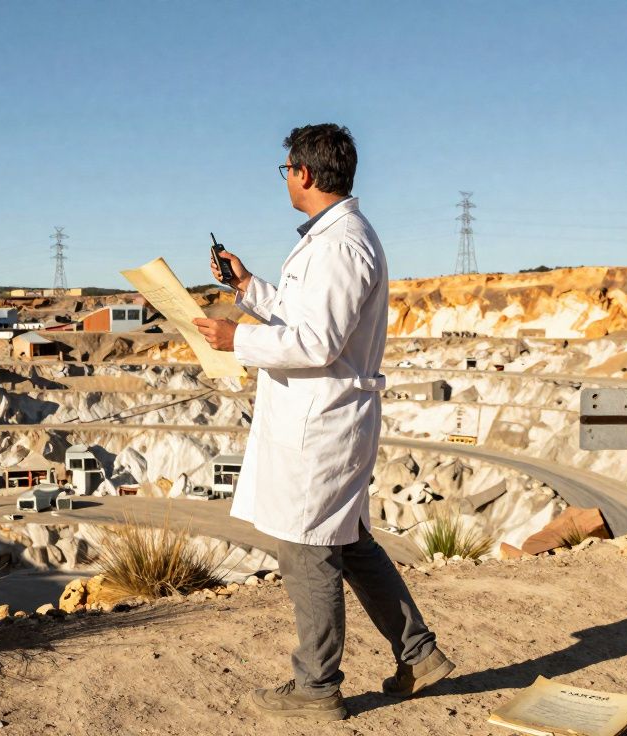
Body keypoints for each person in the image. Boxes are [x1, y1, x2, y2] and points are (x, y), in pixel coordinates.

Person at [192, 123, 453, 722]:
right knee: (349, 540)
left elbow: (315, 342)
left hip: (323, 421)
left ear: (304, 174)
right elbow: (301, 314)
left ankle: (317, 688)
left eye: (285, 169)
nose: (285, 178)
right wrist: (247, 286)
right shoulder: (331, 240)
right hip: (321, 416)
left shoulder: (340, 245)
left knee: (307, 547)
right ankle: (418, 654)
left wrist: (238, 338)